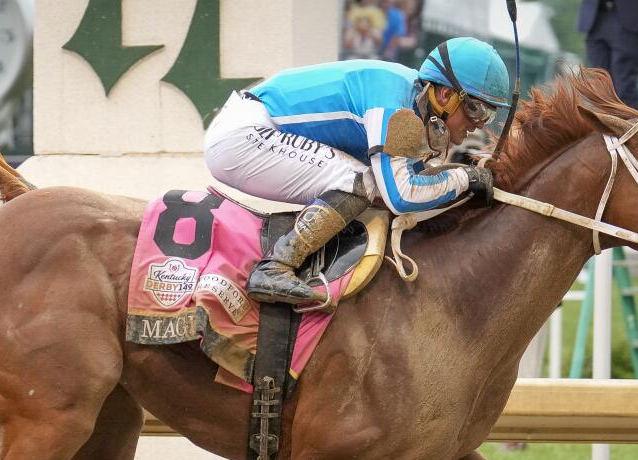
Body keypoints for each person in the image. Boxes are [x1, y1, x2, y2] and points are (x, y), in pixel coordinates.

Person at [205, 37, 508, 305]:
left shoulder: (417, 109)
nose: (480, 123)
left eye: (490, 114)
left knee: (367, 183)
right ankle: (274, 267)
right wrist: (463, 178)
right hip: (244, 134)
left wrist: (463, 175)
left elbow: (417, 188)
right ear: (446, 96)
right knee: (361, 181)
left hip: (255, 130)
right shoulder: (393, 101)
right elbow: (401, 195)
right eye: (477, 109)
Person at [577, 0, 638, 113]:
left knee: (624, 87)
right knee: (599, 88)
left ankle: (635, 129)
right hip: (595, 15)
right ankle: (608, 129)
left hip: (632, 14)